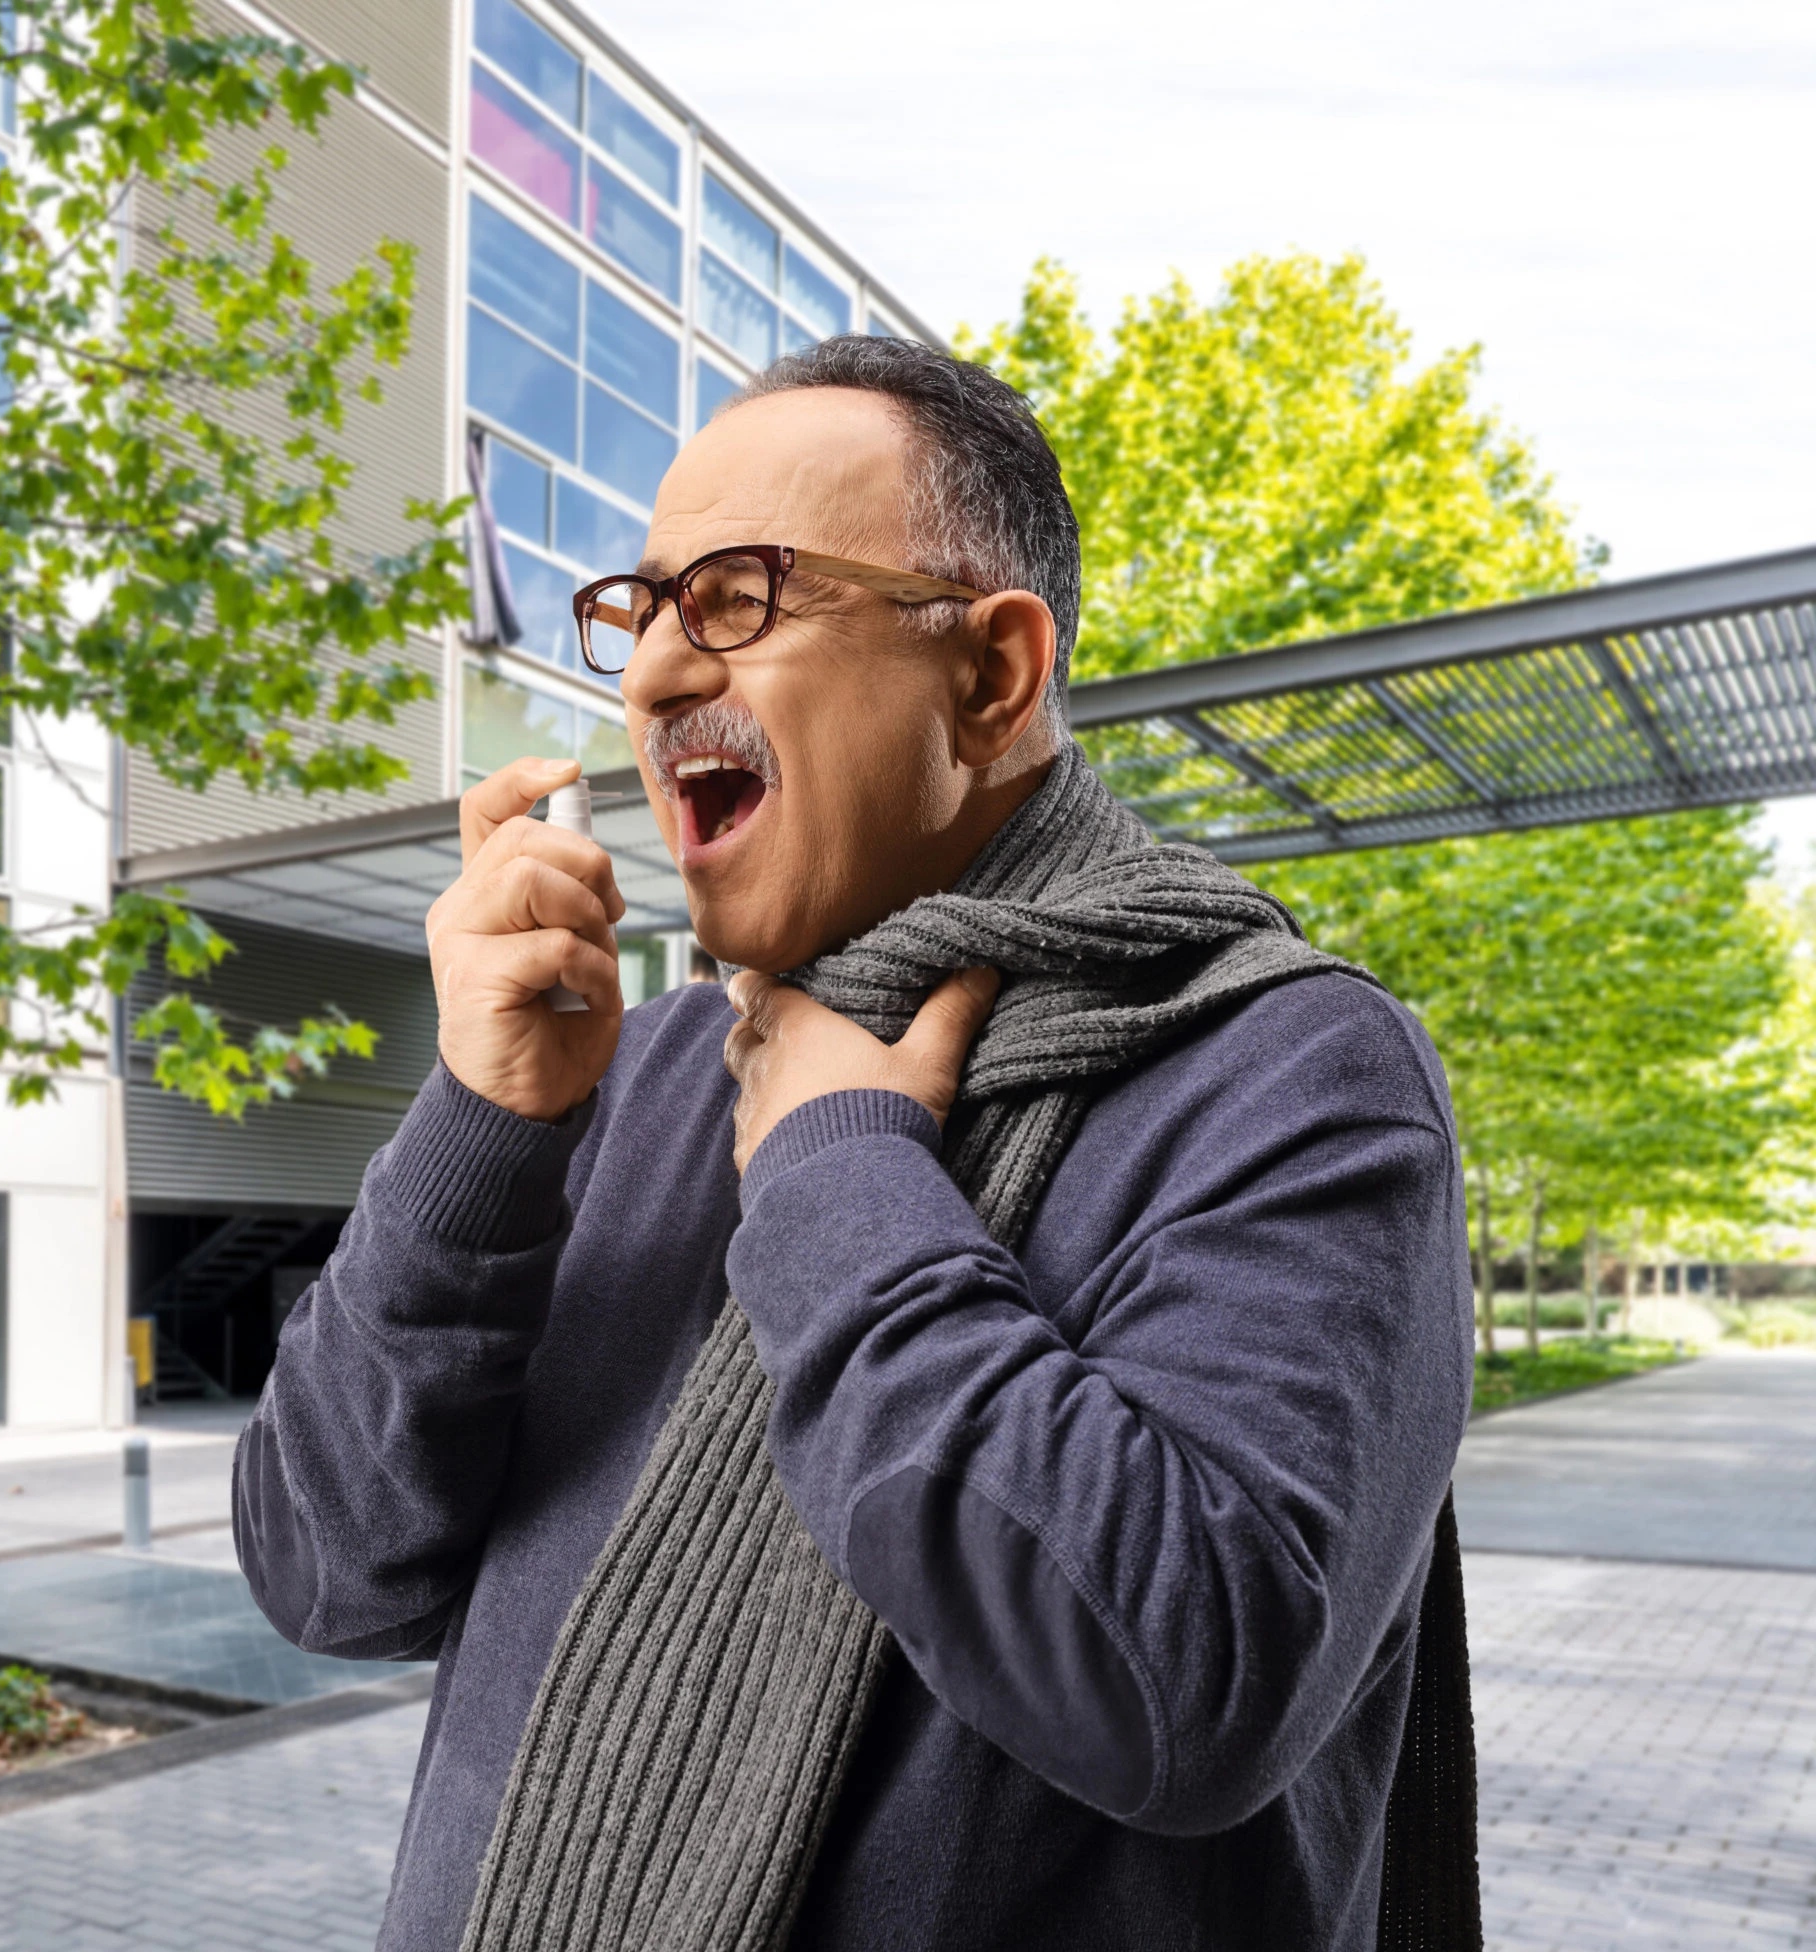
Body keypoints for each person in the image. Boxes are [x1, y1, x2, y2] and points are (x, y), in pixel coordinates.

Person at [234, 336, 1476, 1950]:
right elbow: (328, 1570)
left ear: (991, 676)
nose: (660, 673)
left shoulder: (1289, 1068)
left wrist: (838, 1170)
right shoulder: (647, 1067)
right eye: (645, 608)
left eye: (742, 596)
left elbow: (1187, 1685)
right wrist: (482, 1134)